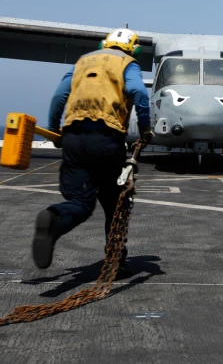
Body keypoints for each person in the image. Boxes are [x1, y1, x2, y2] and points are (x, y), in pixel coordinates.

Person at [33, 28, 153, 275]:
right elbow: (139, 92)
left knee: (79, 202)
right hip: (106, 140)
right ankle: (114, 262)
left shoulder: (82, 62)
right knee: (114, 204)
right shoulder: (128, 63)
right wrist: (144, 129)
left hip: (73, 139)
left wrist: (55, 129)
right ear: (135, 49)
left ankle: (54, 219)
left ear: (103, 44)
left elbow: (59, 96)